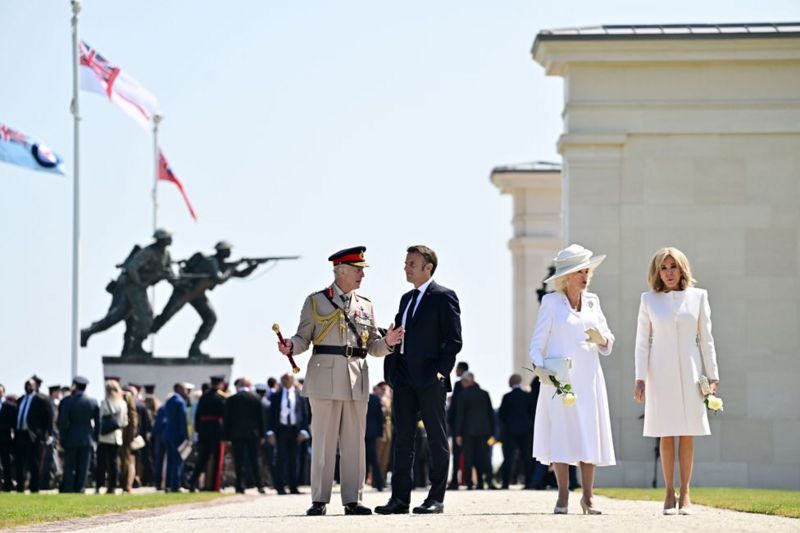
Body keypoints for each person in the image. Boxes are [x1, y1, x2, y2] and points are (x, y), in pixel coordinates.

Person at [278, 246, 400, 516]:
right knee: (323, 441)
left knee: (355, 443)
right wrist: (290, 345)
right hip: (324, 377)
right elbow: (303, 339)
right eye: (358, 271)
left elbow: (373, 348)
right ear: (341, 271)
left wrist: (389, 343)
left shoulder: (366, 305)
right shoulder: (316, 301)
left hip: (357, 379)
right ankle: (319, 499)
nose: (362, 276)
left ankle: (353, 500)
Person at [376, 245, 463, 515]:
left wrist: (440, 373)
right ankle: (399, 500)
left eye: (411, 263)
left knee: (437, 439)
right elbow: (403, 336)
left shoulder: (444, 296)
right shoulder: (406, 299)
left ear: (428, 267)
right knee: (403, 440)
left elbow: (454, 341)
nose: (406, 267)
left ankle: (435, 498)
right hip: (403, 380)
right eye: (405, 263)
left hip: (430, 380)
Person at [529, 244, 615, 515]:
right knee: (562, 435)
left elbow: (608, 340)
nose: (585, 276)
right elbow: (537, 343)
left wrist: (602, 340)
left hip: (589, 379)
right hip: (560, 380)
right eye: (580, 271)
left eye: (587, 271)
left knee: (589, 433)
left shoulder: (593, 301)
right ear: (567, 276)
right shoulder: (551, 302)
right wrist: (540, 368)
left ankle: (588, 498)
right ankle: (563, 495)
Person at [634, 247, 720, 515]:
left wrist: (713, 374)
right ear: (657, 272)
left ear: (682, 269)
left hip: (691, 370)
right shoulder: (649, 300)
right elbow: (641, 343)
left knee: (687, 431)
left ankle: (686, 494)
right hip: (659, 371)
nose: (669, 272)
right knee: (666, 431)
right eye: (664, 267)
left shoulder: (698, 297)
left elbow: (706, 339)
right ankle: (668, 492)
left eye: (673, 266)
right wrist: (639, 378)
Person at [151, 241, 259, 358]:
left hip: (198, 294)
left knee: (210, 318)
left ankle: (195, 348)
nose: (230, 252)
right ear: (222, 251)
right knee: (164, 318)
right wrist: (232, 268)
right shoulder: (211, 262)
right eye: (228, 250)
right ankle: (138, 339)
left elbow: (240, 274)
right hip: (185, 292)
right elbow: (220, 279)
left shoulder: (221, 264)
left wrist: (254, 266)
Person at [80, 228, 174, 356]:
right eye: (168, 237)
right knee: (145, 316)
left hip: (139, 287)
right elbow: (132, 267)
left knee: (122, 317)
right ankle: (136, 347)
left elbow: (169, 272)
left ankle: (90, 332)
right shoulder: (149, 252)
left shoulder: (166, 254)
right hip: (133, 287)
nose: (170, 240)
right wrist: (140, 282)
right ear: (161, 240)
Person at [267, 373, 309, 495]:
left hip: (295, 430)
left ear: (293, 380)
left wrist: (303, 430)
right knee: (280, 458)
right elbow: (270, 415)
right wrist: (270, 432)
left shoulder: (300, 395)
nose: (286, 380)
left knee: (294, 459)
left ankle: (293, 486)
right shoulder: (276, 395)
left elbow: (304, 414)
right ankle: (280, 487)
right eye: (283, 379)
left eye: (288, 378)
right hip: (281, 430)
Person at [454, 372, 496, 490]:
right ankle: (483, 482)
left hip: (467, 432)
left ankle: (469, 483)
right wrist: (492, 432)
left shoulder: (462, 395)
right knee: (483, 458)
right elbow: (490, 414)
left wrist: (457, 434)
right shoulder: (485, 394)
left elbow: (460, 416)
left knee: (469, 458)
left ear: (467, 381)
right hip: (484, 432)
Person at [224, 377, 266, 494]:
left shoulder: (231, 399)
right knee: (254, 460)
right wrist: (262, 435)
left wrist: (226, 437)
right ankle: (259, 484)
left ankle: (239, 485)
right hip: (253, 434)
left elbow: (227, 420)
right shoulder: (256, 398)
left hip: (237, 434)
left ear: (238, 386)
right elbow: (261, 419)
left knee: (239, 460)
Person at [58, 376, 99, 493]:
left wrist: (62, 437)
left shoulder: (68, 401)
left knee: (70, 465)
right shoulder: (93, 402)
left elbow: (63, 422)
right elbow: (98, 423)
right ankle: (80, 488)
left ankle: (68, 487)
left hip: (71, 436)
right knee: (83, 466)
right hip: (87, 437)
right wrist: (95, 439)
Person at [15, 377, 55, 493]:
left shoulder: (41, 399)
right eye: (26, 385)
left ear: (35, 386)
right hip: (19, 433)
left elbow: (49, 417)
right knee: (19, 462)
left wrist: (48, 434)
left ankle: (34, 488)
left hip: (32, 435)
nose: (28, 387)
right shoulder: (21, 399)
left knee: (34, 463)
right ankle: (20, 488)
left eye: (30, 385)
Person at [189, 375, 226, 492]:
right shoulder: (221, 397)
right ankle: (214, 486)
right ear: (220, 384)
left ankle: (192, 481)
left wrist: (199, 429)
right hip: (216, 430)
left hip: (203, 431)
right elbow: (224, 416)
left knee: (202, 458)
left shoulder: (203, 397)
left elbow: (198, 415)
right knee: (217, 459)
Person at [498, 374, 535, 489]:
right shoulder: (527, 396)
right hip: (526, 431)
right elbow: (532, 413)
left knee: (508, 458)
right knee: (526, 457)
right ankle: (529, 482)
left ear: (511, 382)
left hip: (510, 431)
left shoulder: (507, 397)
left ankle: (505, 483)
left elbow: (501, 415)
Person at [96, 379, 128, 494]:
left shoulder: (104, 402)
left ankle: (99, 486)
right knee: (114, 463)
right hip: (116, 436)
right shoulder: (123, 404)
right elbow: (124, 422)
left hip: (104, 436)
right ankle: (113, 486)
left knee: (102, 463)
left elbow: (100, 420)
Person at [446, 361, 469, 489]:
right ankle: (468, 480)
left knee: (457, 454)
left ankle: (455, 480)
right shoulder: (473, 384)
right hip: (469, 426)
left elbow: (455, 406)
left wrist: (449, 422)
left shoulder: (459, 384)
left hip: (458, 426)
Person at [163, 383, 189, 493]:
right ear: (179, 389)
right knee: (178, 461)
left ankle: (168, 485)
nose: (186, 391)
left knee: (170, 460)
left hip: (168, 434)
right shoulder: (180, 402)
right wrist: (186, 435)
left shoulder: (169, 401)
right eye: (184, 389)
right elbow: (183, 420)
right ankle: (176, 485)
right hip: (178, 435)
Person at [365, 384, 385, 491]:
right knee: (374, 459)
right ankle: (379, 484)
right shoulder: (376, 400)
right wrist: (380, 434)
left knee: (362, 459)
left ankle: (361, 483)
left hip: (362, 431)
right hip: (373, 432)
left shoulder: (362, 399)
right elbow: (380, 418)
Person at [119, 387, 139, 493]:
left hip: (125, 437)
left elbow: (133, 421)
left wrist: (130, 437)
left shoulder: (128, 403)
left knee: (126, 461)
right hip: (120, 436)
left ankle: (126, 484)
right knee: (124, 461)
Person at [0, 385, 17, 491]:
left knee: (6, 463)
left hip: (5, 438)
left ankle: (7, 486)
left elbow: (14, 424)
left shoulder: (9, 406)